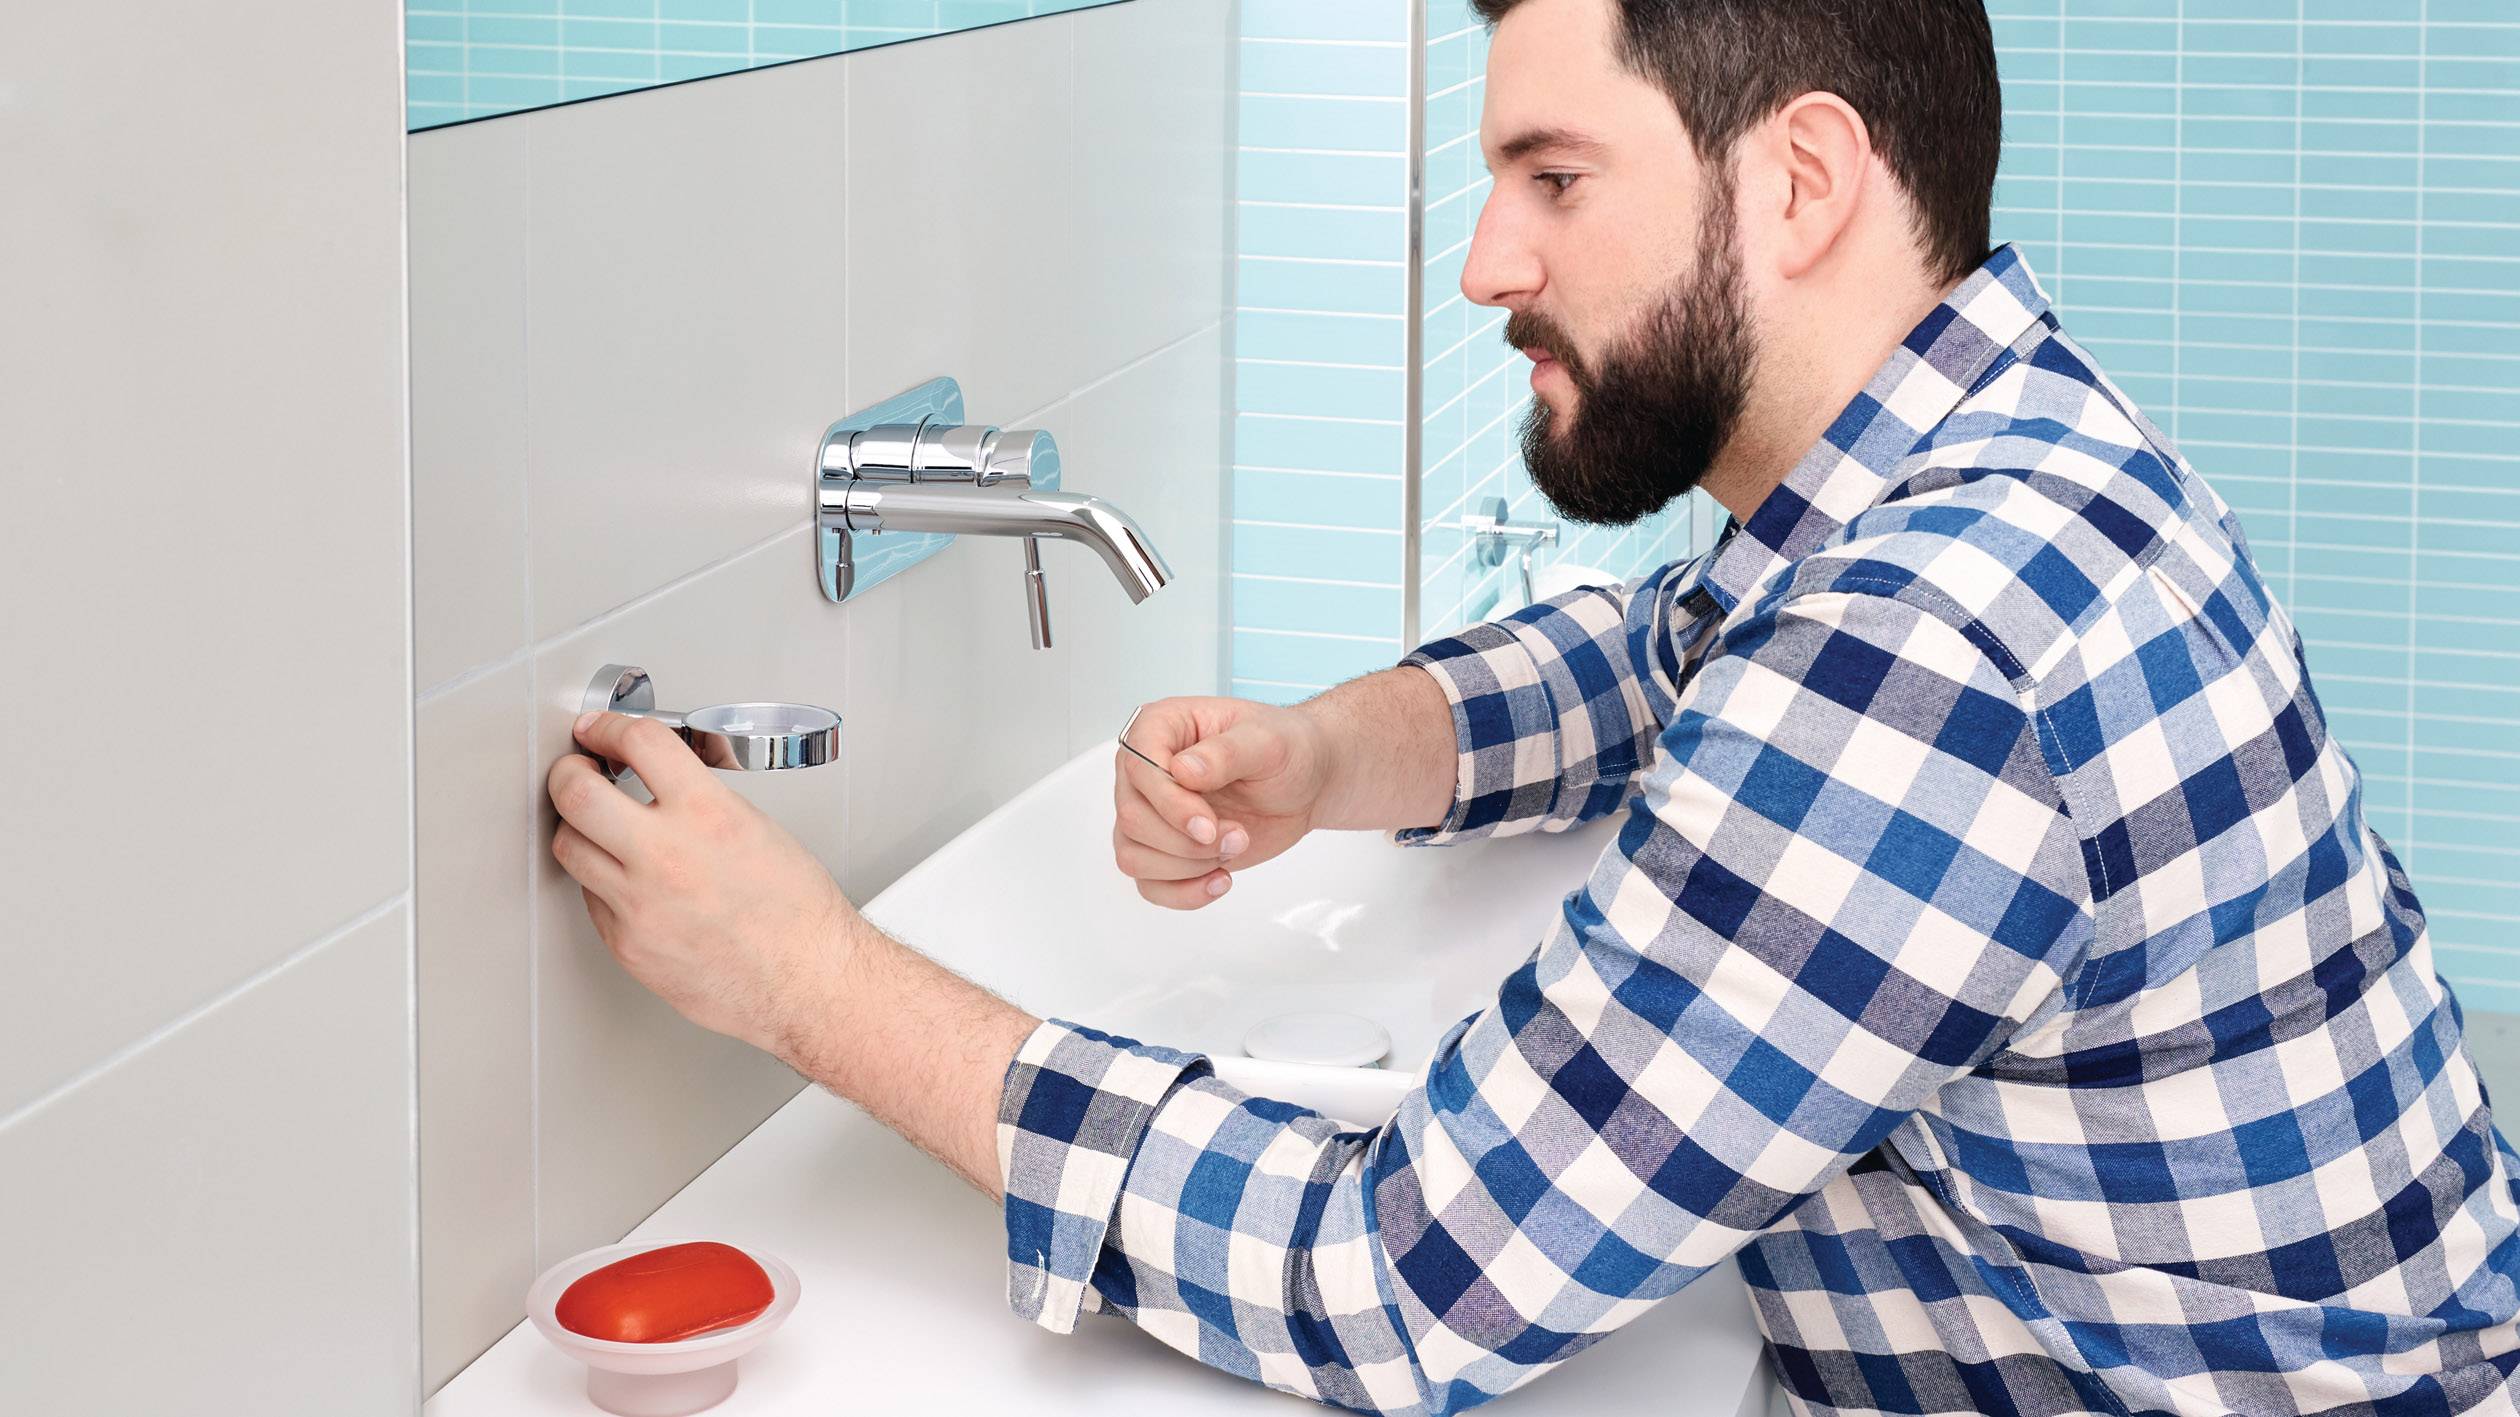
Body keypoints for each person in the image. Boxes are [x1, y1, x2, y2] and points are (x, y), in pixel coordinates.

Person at [542, 0, 2520, 1410]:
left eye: (1554, 177)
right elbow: (1670, 653)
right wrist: (1338, 756)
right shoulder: (1989, 457)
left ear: (1802, 181)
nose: (1492, 261)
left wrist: (809, 980)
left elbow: (1396, 1279)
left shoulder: (1926, 655)